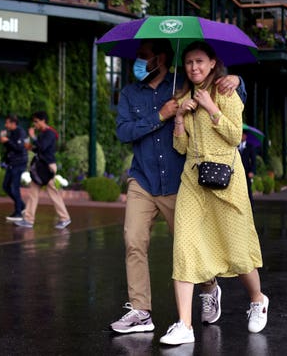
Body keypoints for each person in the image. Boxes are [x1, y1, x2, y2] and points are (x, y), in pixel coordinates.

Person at [111, 38, 245, 334]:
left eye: (144, 56)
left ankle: (210, 286)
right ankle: (141, 311)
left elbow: (225, 89)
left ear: (161, 58)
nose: (138, 61)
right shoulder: (130, 93)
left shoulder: (184, 81)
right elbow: (123, 132)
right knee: (133, 241)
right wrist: (161, 115)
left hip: (178, 182)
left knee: (189, 247)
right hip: (142, 180)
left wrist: (237, 79)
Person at [159, 41, 267, 346]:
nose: (194, 67)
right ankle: (184, 324)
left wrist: (211, 107)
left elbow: (234, 135)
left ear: (212, 63)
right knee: (184, 246)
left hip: (227, 180)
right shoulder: (183, 96)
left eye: (200, 62)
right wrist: (180, 116)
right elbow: (180, 147)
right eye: (190, 62)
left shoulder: (226, 91)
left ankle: (258, 299)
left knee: (237, 248)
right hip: (193, 181)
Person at [14, 111, 71, 230]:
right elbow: (39, 149)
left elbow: (42, 146)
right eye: (34, 122)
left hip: (47, 167)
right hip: (42, 166)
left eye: (36, 121)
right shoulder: (44, 133)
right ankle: (29, 220)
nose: (35, 124)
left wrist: (33, 137)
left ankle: (64, 218)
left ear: (43, 121)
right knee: (34, 192)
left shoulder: (49, 133)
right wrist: (31, 147)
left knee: (52, 193)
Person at [0, 114, 29, 222]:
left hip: (19, 163)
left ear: (13, 123)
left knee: (14, 187)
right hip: (12, 163)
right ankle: (21, 206)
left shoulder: (20, 132)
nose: (5, 125)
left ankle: (18, 213)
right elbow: (11, 148)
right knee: (6, 186)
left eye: (7, 122)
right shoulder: (11, 133)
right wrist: (4, 141)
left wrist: (7, 141)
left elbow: (19, 148)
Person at [239, 132, 257, 208]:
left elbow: (253, 161)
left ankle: (251, 208)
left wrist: (252, 171)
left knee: (248, 190)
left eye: (243, 135)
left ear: (245, 136)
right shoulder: (235, 146)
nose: (242, 136)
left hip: (247, 172)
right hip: (237, 172)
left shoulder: (250, 146)